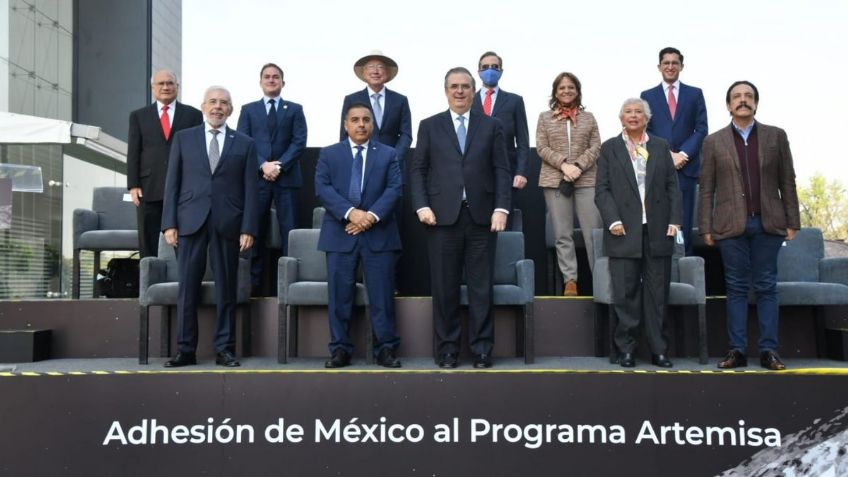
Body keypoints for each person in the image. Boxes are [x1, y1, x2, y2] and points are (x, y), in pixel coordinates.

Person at [410, 67, 511, 369]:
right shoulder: (430, 126)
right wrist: (421, 205)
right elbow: (418, 170)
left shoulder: (491, 126)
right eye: (454, 86)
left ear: (473, 90)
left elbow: (501, 170)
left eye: (465, 86)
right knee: (444, 288)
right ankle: (448, 350)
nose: (460, 91)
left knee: (481, 289)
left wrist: (501, 208)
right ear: (445, 90)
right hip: (440, 219)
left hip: (482, 219)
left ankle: (482, 350)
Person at [698, 80, 800, 371]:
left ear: (756, 102)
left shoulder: (775, 136)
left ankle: (769, 351)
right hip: (730, 226)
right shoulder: (713, 141)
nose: (743, 100)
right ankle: (737, 351)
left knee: (767, 287)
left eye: (748, 96)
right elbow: (707, 188)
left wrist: (793, 221)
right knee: (737, 287)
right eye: (737, 97)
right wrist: (705, 226)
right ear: (728, 105)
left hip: (768, 223)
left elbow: (787, 181)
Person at [161, 86, 259, 368]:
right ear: (203, 106)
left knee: (226, 288)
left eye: (224, 103)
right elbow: (173, 183)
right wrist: (169, 223)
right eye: (213, 102)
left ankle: (225, 349)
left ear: (231, 109)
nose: (218, 107)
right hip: (189, 221)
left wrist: (248, 228)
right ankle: (185, 350)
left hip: (228, 223)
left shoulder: (245, 143)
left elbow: (251, 190)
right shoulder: (184, 138)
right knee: (187, 288)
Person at [594, 98, 682, 368]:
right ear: (621, 118)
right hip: (622, 231)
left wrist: (675, 220)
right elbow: (602, 190)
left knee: (657, 294)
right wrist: (612, 220)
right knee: (625, 293)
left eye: (639, 112)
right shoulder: (609, 148)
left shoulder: (660, 146)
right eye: (628, 112)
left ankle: (659, 350)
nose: (633, 116)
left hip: (657, 230)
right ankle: (626, 349)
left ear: (647, 118)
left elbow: (672, 186)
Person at [316, 103, 403, 369]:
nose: (361, 124)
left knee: (382, 296)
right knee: (340, 296)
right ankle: (340, 350)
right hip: (340, 233)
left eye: (366, 119)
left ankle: (385, 349)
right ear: (346, 125)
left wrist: (369, 218)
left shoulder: (388, 155)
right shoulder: (329, 154)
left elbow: (395, 189)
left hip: (379, 234)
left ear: (372, 124)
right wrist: (351, 213)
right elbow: (322, 187)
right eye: (355, 120)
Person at [237, 63, 307, 295]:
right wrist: (262, 164)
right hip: (258, 179)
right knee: (254, 230)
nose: (271, 80)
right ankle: (253, 285)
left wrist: (279, 165)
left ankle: (289, 285)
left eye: (275, 77)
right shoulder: (248, 110)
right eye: (267, 77)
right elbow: (243, 141)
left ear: (282, 82)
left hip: (286, 178)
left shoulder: (295, 109)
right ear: (260, 82)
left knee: (290, 233)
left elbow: (299, 142)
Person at [535, 72, 602, 296]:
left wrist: (578, 167)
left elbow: (595, 147)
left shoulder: (589, 118)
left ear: (577, 91)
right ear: (555, 92)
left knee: (593, 232)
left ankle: (601, 279)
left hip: (587, 180)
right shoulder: (545, 118)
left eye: (571, 87)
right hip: (555, 181)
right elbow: (542, 147)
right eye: (562, 88)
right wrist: (564, 165)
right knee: (562, 233)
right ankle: (570, 280)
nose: (566, 91)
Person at [127, 69, 203, 258]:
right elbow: (134, 152)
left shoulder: (193, 115)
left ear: (177, 87)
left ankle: (183, 284)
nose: (165, 87)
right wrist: (133, 184)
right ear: (153, 88)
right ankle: (149, 286)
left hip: (184, 190)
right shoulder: (138, 116)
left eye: (170, 83)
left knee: (185, 243)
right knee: (148, 243)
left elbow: (198, 152)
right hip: (149, 188)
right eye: (160, 84)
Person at [640, 47, 707, 256]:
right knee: (658, 220)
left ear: (681, 66)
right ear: (659, 66)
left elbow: (701, 128)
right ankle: (660, 270)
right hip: (658, 167)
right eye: (666, 63)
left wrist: (683, 154)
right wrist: (667, 155)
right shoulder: (647, 95)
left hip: (686, 169)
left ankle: (684, 270)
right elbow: (644, 130)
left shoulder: (695, 94)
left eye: (674, 63)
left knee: (684, 223)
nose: (670, 66)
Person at [339, 51, 412, 172]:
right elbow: (345, 134)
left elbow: (406, 134)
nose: (375, 71)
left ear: (387, 73)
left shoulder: (400, 100)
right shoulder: (351, 99)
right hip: (360, 164)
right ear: (364, 72)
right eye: (371, 67)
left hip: (393, 166)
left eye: (380, 67)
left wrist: (395, 158)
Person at [471, 51, 530, 191]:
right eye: (485, 67)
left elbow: (522, 141)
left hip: (506, 170)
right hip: (474, 170)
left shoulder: (515, 101)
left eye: (494, 66)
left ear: (501, 71)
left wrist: (521, 172)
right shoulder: (468, 101)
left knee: (504, 211)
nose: (490, 70)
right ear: (479, 72)